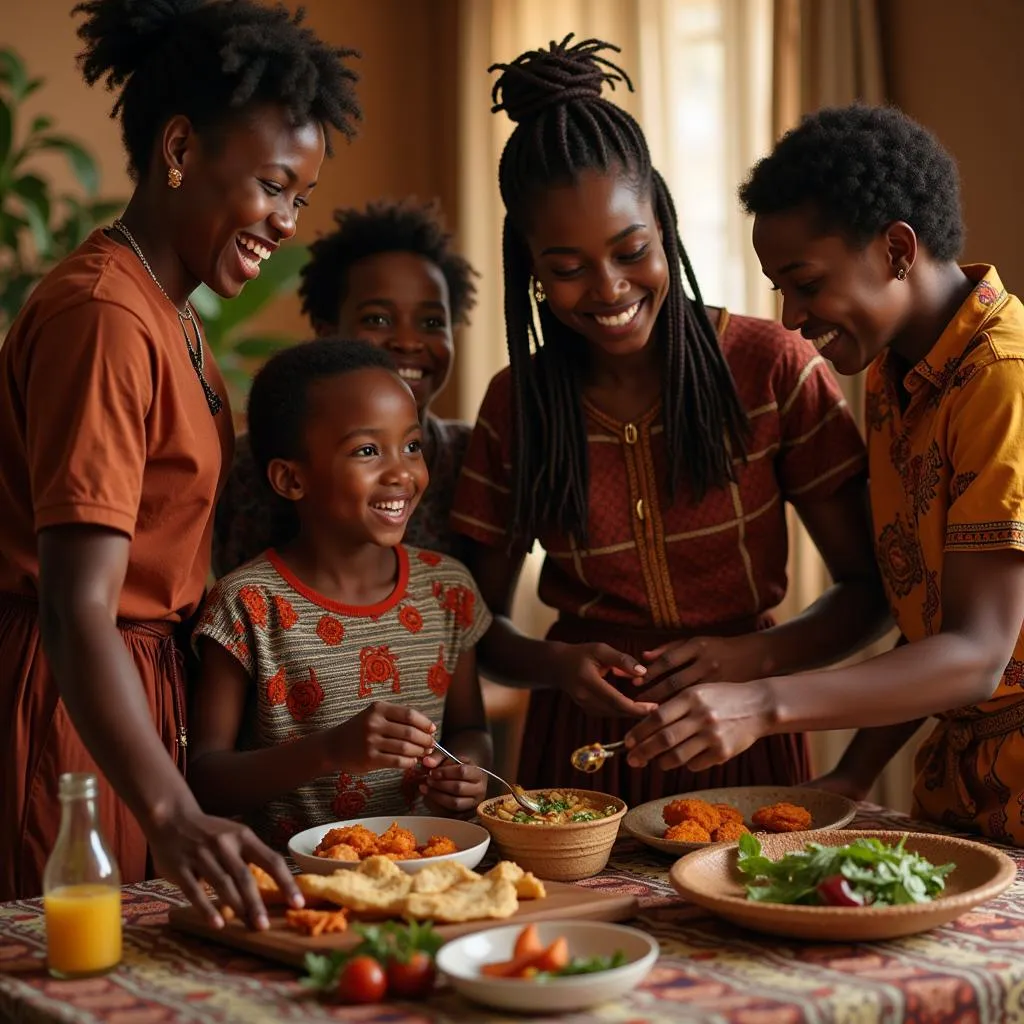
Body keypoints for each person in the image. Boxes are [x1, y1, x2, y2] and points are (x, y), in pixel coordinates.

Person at [451, 36, 889, 803]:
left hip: (745, 732)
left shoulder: (773, 367)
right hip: (578, 748)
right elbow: (472, 624)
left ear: (666, 226)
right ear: (530, 268)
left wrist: (749, 660)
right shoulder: (515, 405)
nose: (609, 288)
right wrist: (555, 665)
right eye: (566, 268)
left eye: (631, 251)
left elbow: (870, 589)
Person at [0, 0, 359, 927]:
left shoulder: (170, 313)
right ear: (179, 150)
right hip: (74, 705)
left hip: (131, 701)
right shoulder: (105, 316)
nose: (285, 220)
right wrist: (171, 807)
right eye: (274, 186)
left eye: (300, 200)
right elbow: (77, 604)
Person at [628, 103, 1024, 843]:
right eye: (779, 287)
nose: (789, 315)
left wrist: (765, 703)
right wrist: (853, 773)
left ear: (897, 250)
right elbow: (931, 627)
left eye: (805, 283)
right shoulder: (893, 376)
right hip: (964, 794)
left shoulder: (1000, 378)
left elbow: (975, 656)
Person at [189, 339, 492, 847]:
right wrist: (329, 750)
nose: (401, 472)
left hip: (436, 871)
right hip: (299, 888)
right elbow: (205, 781)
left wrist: (469, 773)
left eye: (412, 445)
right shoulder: (246, 606)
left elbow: (470, 730)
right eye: (367, 451)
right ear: (291, 479)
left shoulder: (448, 591)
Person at [213, 199, 478, 576]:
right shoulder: (246, 465)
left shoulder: (471, 460)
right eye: (378, 318)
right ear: (326, 332)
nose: (408, 341)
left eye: (432, 322)